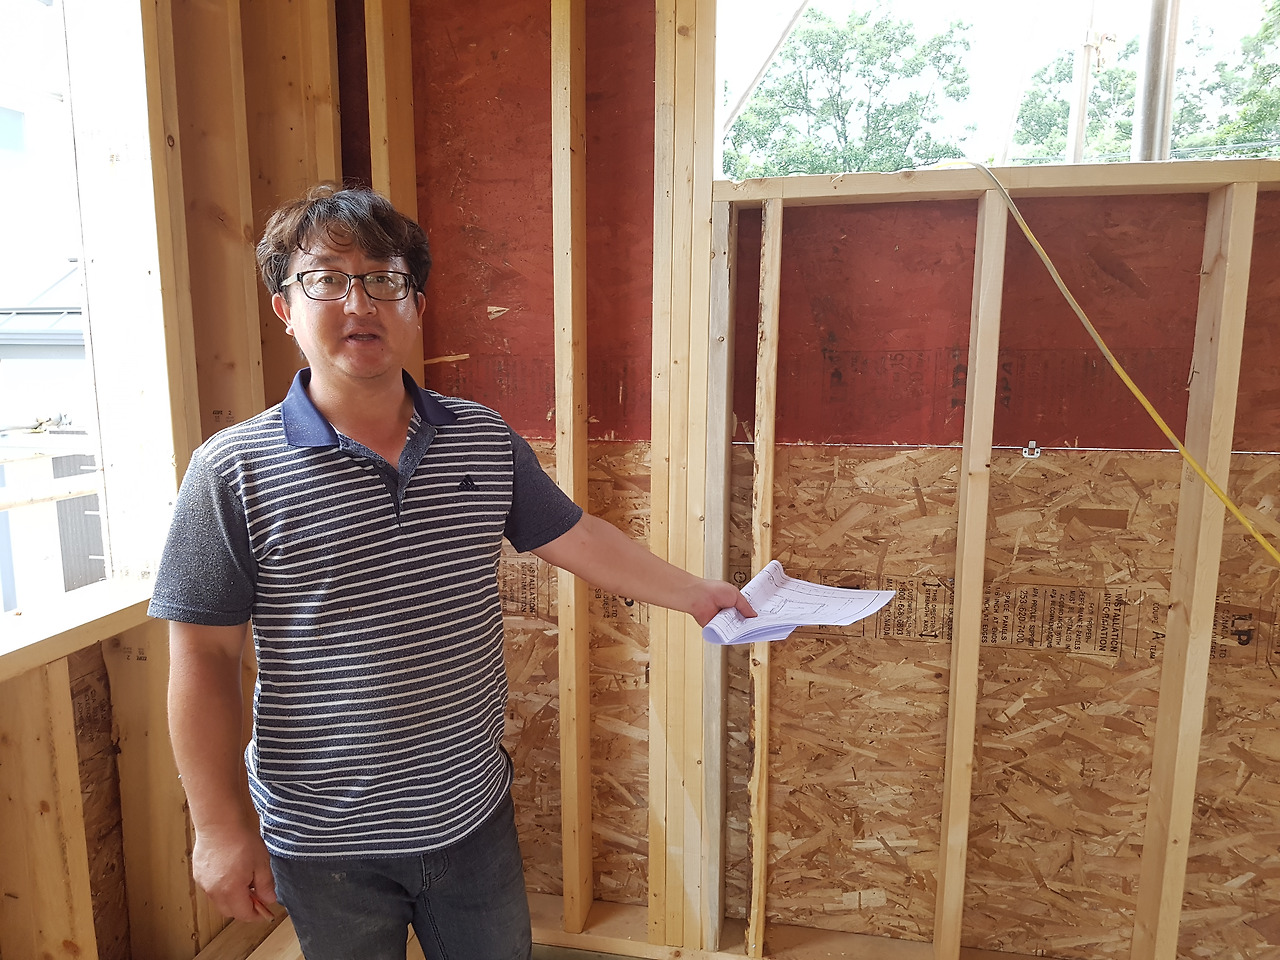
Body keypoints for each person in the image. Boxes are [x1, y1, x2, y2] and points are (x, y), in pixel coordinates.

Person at [148, 182, 754, 960]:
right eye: (326, 279)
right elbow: (203, 657)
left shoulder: (480, 438)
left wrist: (695, 594)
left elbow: (573, 534)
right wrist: (219, 827)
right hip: (324, 839)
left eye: (385, 279)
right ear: (284, 308)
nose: (359, 302)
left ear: (417, 305)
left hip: (469, 817)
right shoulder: (231, 470)